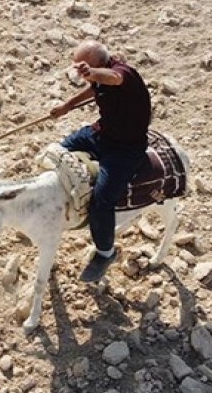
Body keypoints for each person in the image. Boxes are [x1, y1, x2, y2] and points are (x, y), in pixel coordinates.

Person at [49, 40, 153, 282]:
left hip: (125, 150)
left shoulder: (124, 74)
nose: (79, 73)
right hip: (100, 135)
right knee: (57, 151)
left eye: (82, 67)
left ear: (98, 63)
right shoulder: (98, 78)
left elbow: (112, 78)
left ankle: (105, 253)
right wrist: (66, 106)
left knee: (102, 199)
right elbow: (95, 88)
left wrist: (91, 73)